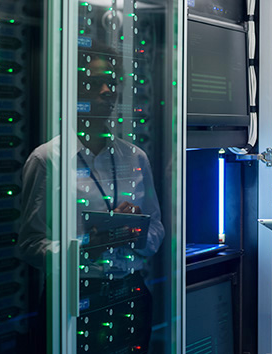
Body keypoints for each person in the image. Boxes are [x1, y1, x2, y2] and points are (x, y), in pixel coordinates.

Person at [17, 47, 164, 353]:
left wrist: (136, 231)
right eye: (94, 83)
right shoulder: (47, 160)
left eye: (111, 83)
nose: (107, 91)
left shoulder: (135, 156)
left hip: (130, 292)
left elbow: (157, 230)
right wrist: (85, 245)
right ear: (73, 91)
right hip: (73, 297)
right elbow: (30, 245)